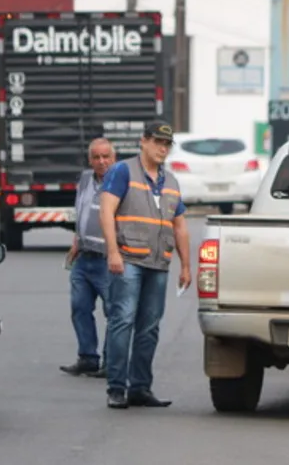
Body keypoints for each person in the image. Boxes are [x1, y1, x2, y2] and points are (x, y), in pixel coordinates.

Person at [99, 121, 192, 409]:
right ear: (143, 141)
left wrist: (186, 265)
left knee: (149, 327)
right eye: (157, 142)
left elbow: (180, 227)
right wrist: (112, 252)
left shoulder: (172, 182)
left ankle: (140, 387)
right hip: (127, 259)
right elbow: (106, 210)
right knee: (123, 320)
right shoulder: (122, 171)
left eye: (167, 144)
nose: (162, 149)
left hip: (158, 263)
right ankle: (117, 387)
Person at [60, 138, 117, 378]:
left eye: (106, 157)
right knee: (79, 308)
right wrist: (76, 242)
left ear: (114, 158)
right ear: (90, 159)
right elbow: (81, 211)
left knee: (114, 313)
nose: (102, 162)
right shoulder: (85, 179)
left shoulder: (121, 181)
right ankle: (88, 357)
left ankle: (110, 362)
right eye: (97, 157)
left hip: (108, 259)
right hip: (84, 258)